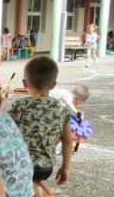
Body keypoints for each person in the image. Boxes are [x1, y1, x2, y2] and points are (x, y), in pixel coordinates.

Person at [7, 56, 75, 186]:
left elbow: (5, 133)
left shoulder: (19, 106)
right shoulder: (61, 108)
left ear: (24, 83)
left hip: (20, 166)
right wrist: (65, 168)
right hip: (46, 168)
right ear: (54, 85)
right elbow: (67, 140)